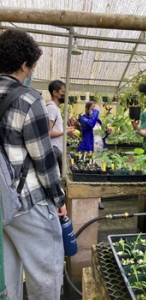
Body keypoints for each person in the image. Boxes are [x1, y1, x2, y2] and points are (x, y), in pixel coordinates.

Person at [0, 29, 67, 300]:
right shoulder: (29, 100)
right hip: (26, 200)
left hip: (1, 203)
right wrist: (58, 198)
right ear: (24, 65)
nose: (32, 73)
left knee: (8, 275)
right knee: (46, 272)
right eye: (33, 67)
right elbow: (43, 159)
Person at [78, 101, 112, 209]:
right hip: (88, 149)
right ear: (87, 109)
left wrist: (107, 132)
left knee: (99, 174)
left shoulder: (98, 122)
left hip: (99, 150)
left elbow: (100, 136)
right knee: (89, 173)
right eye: (92, 108)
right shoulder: (83, 119)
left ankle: (98, 199)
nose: (94, 110)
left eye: (95, 109)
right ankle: (87, 197)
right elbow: (90, 124)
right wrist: (96, 111)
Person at [47, 80, 78, 173]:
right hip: (54, 149)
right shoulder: (51, 108)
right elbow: (48, 132)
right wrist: (65, 132)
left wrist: (66, 130)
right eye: (63, 92)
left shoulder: (55, 108)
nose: (65, 95)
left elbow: (55, 129)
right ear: (55, 93)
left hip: (57, 149)